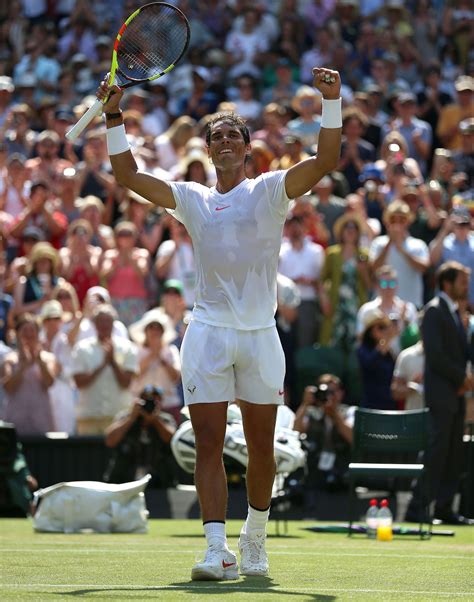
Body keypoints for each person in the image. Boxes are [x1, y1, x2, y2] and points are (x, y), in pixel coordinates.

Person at [97, 64, 342, 580]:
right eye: (218, 136)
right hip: (207, 332)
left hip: (260, 336)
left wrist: (332, 101)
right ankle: (216, 549)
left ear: (247, 149)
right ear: (209, 150)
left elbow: (325, 159)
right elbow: (127, 176)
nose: (226, 140)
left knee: (259, 448)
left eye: (234, 134)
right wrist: (114, 114)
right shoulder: (191, 197)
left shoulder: (272, 189)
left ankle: (254, 536)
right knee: (207, 442)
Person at [406, 261, 474, 526]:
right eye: (462, 281)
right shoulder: (434, 311)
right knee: (437, 452)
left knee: (453, 454)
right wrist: (462, 378)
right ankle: (416, 508)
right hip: (443, 394)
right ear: (447, 283)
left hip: (455, 395)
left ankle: (444, 508)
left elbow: (462, 353)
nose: (466, 287)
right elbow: (435, 355)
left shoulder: (457, 313)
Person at [71, 304, 138, 436]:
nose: (104, 325)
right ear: (94, 324)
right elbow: (79, 383)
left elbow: (126, 383)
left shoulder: (128, 348)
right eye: (100, 321)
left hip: (119, 419)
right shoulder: (81, 349)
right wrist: (102, 365)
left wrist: (112, 362)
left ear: (114, 323)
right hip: (89, 419)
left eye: (108, 321)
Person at [293, 373, 354, 510]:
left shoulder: (349, 411)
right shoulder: (311, 412)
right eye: (325, 392)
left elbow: (353, 438)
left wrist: (334, 415)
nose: (329, 396)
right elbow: (295, 432)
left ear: (341, 393)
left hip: (342, 472)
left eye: (333, 391)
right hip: (315, 473)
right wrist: (305, 404)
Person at [104, 384, 177, 487]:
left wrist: (155, 420)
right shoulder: (126, 417)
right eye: (145, 400)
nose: (149, 405)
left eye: (154, 401)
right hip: (125, 480)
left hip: (160, 482)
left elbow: (172, 440)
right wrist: (131, 419)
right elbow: (109, 441)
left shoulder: (166, 419)